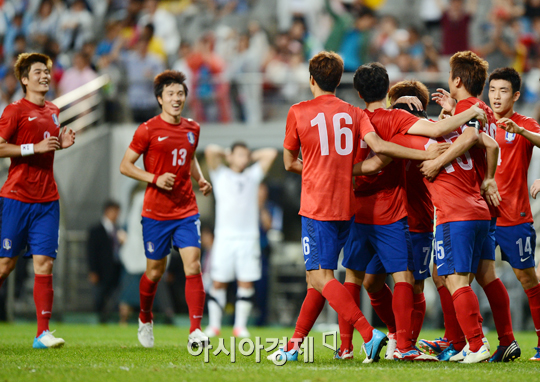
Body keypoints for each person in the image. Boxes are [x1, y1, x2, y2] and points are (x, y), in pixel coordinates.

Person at [268, 51, 452, 364]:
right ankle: (402, 343)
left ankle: (356, 341)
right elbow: (388, 151)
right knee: (399, 277)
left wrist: (329, 169)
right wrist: (456, 120)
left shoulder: (303, 111)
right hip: (378, 210)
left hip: (336, 205)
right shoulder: (362, 116)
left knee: (339, 277)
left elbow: (290, 162)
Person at [337, 63, 487, 362]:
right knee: (410, 278)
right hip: (399, 214)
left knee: (357, 278)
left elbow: (365, 158)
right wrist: (467, 112)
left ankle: (353, 345)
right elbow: (440, 133)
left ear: (357, 92)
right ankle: (408, 342)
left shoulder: (353, 118)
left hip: (359, 208)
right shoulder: (399, 121)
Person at [414, 51, 501, 363]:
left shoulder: (467, 110)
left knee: (454, 279)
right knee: (448, 274)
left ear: (458, 80)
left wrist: (436, 161)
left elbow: (469, 138)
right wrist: (488, 179)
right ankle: (463, 341)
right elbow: (486, 143)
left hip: (457, 209)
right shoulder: (481, 110)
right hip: (477, 204)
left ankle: (475, 344)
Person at [119, 70, 212, 349]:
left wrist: (200, 179)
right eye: (171, 93)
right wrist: (154, 178)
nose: (176, 98)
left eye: (180, 93)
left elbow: (190, 156)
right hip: (156, 213)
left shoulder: (193, 128)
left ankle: (196, 330)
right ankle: (145, 317)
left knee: (193, 265)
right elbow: (125, 166)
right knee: (155, 272)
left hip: (185, 209)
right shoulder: (147, 129)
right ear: (160, 98)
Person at [0, 52, 76, 348]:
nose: (45, 76)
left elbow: (48, 145)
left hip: (47, 199)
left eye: (47, 72)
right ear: (24, 79)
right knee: (6, 264)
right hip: (17, 197)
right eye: (38, 72)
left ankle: (42, 333)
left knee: (44, 263)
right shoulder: (14, 111)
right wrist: (35, 147)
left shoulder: (54, 110)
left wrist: (62, 142)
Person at [486, 67, 540, 361]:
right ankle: (465, 341)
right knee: (458, 277)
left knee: (527, 279)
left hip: (514, 216)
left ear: (516, 95)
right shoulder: (480, 122)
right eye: (492, 89)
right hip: (480, 216)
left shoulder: (523, 123)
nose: (496, 96)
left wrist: (522, 132)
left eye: (503, 90)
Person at [204, 142, 277, 338]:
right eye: (239, 155)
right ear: (230, 156)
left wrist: (249, 156)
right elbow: (210, 150)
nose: (243, 159)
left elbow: (271, 153)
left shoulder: (252, 176)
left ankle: (240, 326)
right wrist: (229, 153)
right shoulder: (220, 174)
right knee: (218, 282)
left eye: (245, 155)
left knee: (246, 283)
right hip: (225, 238)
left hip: (248, 238)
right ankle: (214, 326)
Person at [87, 200, 124, 324]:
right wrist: (93, 270)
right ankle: (98, 320)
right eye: (115, 211)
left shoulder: (119, 230)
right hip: (101, 271)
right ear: (107, 211)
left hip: (116, 269)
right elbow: (91, 252)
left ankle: (110, 319)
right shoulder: (95, 230)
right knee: (99, 298)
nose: (117, 215)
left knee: (115, 298)